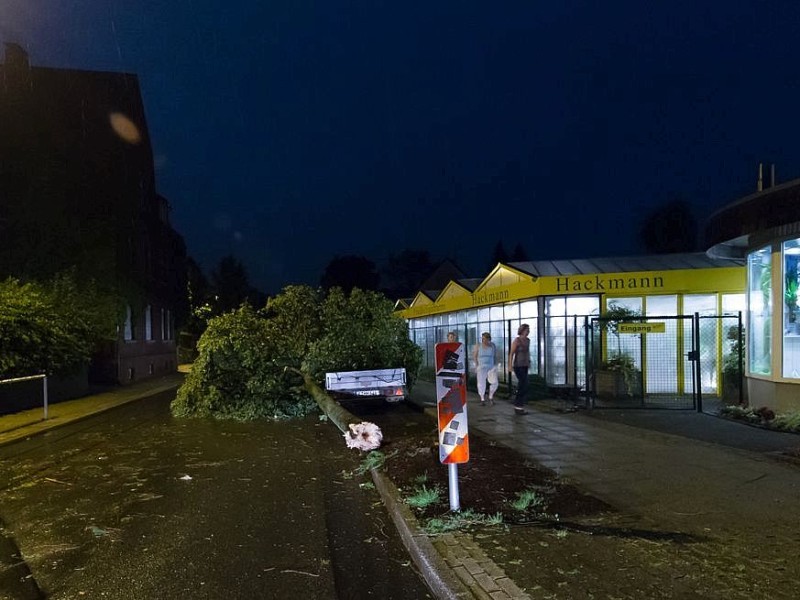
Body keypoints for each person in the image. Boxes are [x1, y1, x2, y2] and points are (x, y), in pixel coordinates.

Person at [508, 323, 531, 415]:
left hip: (525, 364)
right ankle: (518, 405)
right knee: (523, 384)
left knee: (524, 385)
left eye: (528, 330)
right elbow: (511, 353)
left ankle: (519, 405)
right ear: (522, 330)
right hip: (518, 365)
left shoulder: (528, 340)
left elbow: (527, 352)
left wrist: (528, 361)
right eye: (527, 330)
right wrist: (510, 365)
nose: (528, 332)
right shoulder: (517, 341)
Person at [472, 332, 498, 406]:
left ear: (489, 339)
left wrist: (495, 365)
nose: (484, 340)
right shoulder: (478, 346)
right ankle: (482, 398)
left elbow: (494, 356)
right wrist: (477, 366)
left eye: (485, 339)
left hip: (491, 366)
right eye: (483, 339)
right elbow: (474, 356)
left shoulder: (492, 345)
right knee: (481, 383)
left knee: (495, 382)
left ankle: (491, 396)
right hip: (481, 366)